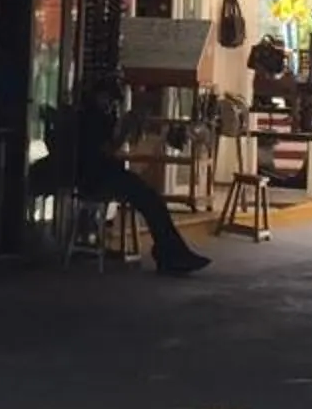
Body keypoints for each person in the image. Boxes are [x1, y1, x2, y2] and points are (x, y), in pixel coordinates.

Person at [42, 80, 208, 276]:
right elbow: (107, 150)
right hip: (97, 178)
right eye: (108, 99)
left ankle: (171, 251)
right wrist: (125, 130)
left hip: (103, 175)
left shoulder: (92, 115)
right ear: (98, 96)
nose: (110, 103)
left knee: (150, 198)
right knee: (150, 199)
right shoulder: (92, 118)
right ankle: (170, 253)